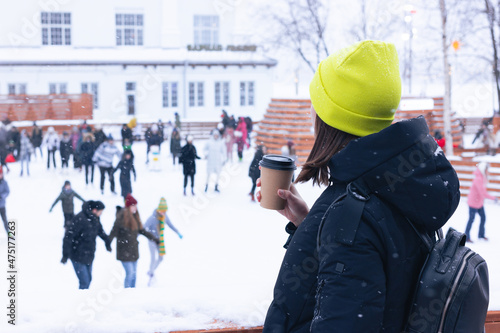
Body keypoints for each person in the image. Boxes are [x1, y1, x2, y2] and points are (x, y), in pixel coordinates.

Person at [258, 40, 460, 332]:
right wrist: (311, 226)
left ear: (331, 117)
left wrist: (333, 226)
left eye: (317, 105)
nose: (312, 113)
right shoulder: (396, 184)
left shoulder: (351, 217)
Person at [108, 194, 159, 288]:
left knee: (134, 275)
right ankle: (127, 292)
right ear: (128, 207)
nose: (135, 208)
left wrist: (154, 238)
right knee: (130, 274)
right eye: (133, 206)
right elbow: (114, 230)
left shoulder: (135, 217)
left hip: (133, 250)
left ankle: (132, 294)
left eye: (136, 206)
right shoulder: (121, 217)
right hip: (124, 250)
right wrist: (108, 242)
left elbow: (142, 230)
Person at [61, 200, 111, 289]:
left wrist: (107, 242)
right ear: (95, 210)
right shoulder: (80, 219)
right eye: (100, 212)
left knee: (89, 279)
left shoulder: (95, 219)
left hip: (89, 254)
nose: (101, 214)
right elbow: (68, 237)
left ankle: (84, 298)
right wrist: (65, 254)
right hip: (77, 255)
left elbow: (101, 232)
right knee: (84, 282)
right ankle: (82, 300)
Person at [144, 197, 182, 285]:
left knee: (161, 258)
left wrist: (178, 233)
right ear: (159, 210)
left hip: (159, 240)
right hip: (152, 240)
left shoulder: (164, 217)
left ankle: (151, 271)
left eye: (165, 211)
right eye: (162, 211)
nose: (163, 213)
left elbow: (170, 225)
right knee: (153, 258)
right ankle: (151, 275)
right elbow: (143, 227)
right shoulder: (152, 217)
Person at [465, 162, 497, 242]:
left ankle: (481, 235)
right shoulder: (478, 179)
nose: (487, 171)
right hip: (473, 203)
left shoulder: (482, 177)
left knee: (483, 218)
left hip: (479, 203)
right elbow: (482, 193)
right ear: (483, 169)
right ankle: (466, 236)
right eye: (486, 169)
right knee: (471, 219)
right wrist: (493, 198)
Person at [0, 168, 9, 234]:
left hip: (1, 205)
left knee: (4, 220)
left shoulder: (4, 182)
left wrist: (2, 196)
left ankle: (9, 233)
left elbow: (7, 191)